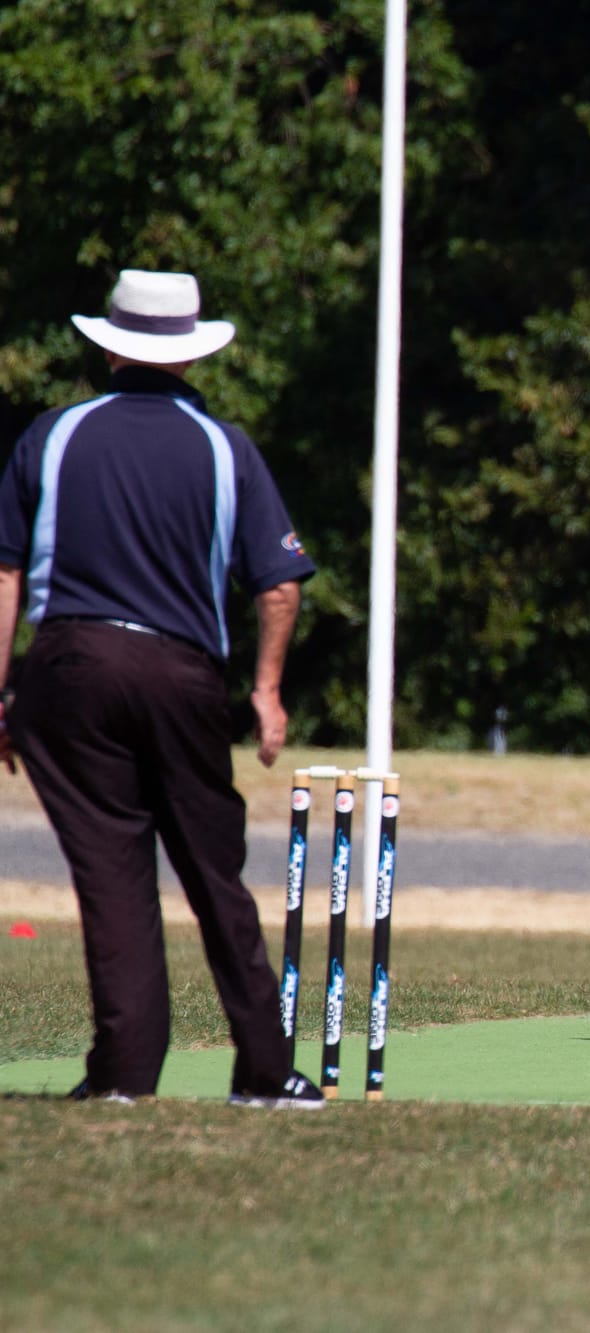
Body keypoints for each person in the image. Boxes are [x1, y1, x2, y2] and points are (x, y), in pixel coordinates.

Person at [0, 268, 322, 1105]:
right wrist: (266, 689)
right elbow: (279, 584)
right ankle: (266, 1070)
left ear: (108, 344)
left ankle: (124, 1074)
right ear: (188, 353)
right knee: (214, 871)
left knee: (111, 873)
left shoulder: (53, 435)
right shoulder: (225, 447)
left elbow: (4, 577)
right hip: (181, 674)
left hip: (68, 668)